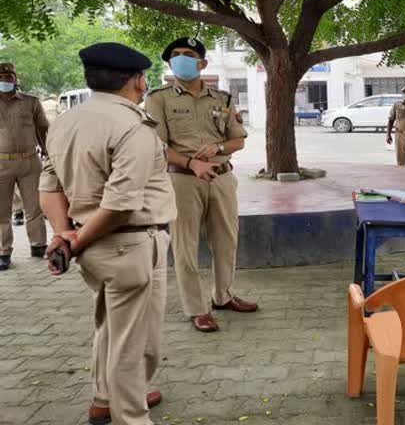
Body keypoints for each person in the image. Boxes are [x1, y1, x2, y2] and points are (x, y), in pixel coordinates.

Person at [39, 42, 176, 425]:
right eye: (144, 77)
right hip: (130, 243)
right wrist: (74, 239)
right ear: (136, 80)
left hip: (94, 246)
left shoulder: (66, 122)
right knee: (134, 343)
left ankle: (102, 400)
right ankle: (131, 417)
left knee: (110, 325)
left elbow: (49, 185)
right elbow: (121, 204)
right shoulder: (133, 125)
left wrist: (64, 234)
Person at [145, 37, 258, 334]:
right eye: (176, 55)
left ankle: (223, 296)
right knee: (185, 246)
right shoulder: (158, 99)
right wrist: (191, 162)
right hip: (182, 180)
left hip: (221, 177)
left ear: (202, 63)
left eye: (188, 54)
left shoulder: (222, 99)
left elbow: (239, 139)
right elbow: (156, 146)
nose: (181, 59)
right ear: (169, 64)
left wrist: (218, 146)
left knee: (226, 240)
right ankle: (196, 308)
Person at [0, 61, 48, 271]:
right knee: (2, 211)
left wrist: (49, 152)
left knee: (35, 206)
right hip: (1, 162)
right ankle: (4, 252)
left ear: (15, 79)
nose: (4, 81)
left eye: (8, 77)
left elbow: (44, 129)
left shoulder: (31, 102)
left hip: (29, 161)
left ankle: (38, 245)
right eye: (1, 77)